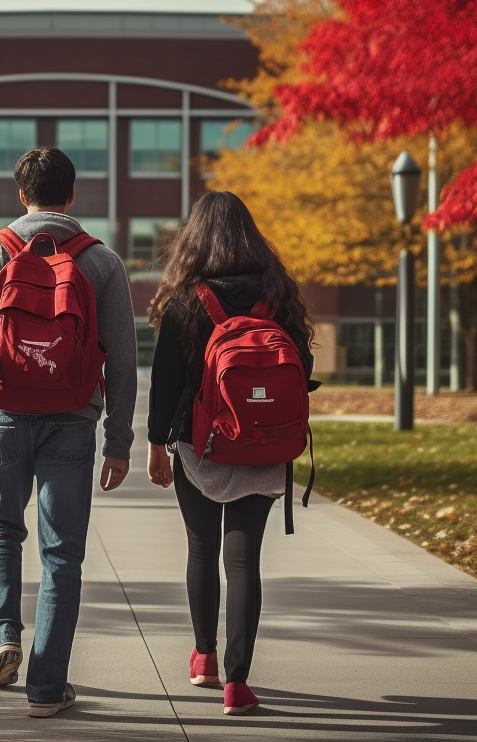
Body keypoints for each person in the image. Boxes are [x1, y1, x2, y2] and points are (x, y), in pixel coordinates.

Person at [0, 147, 138, 718]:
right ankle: (48, 688)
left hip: (2, 416)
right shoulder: (101, 263)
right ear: (72, 196)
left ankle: (3, 637)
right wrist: (119, 443)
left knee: (2, 527)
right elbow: (123, 363)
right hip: (73, 418)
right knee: (62, 554)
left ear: (20, 195)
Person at [144, 191, 316, 716]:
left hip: (201, 449)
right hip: (265, 450)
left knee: (202, 550)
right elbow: (302, 373)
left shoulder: (185, 302)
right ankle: (238, 685)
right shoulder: (279, 295)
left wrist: (155, 445)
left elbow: (166, 384)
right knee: (244, 562)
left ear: (193, 240)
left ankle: (204, 658)